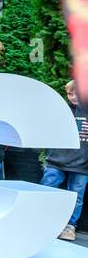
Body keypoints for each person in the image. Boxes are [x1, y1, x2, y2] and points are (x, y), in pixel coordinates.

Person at [41, 80, 88, 242]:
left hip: (83, 164)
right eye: (70, 93)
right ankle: (41, 220)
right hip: (56, 160)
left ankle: (69, 226)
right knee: (48, 189)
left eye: (77, 93)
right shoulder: (61, 109)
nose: (73, 97)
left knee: (76, 195)